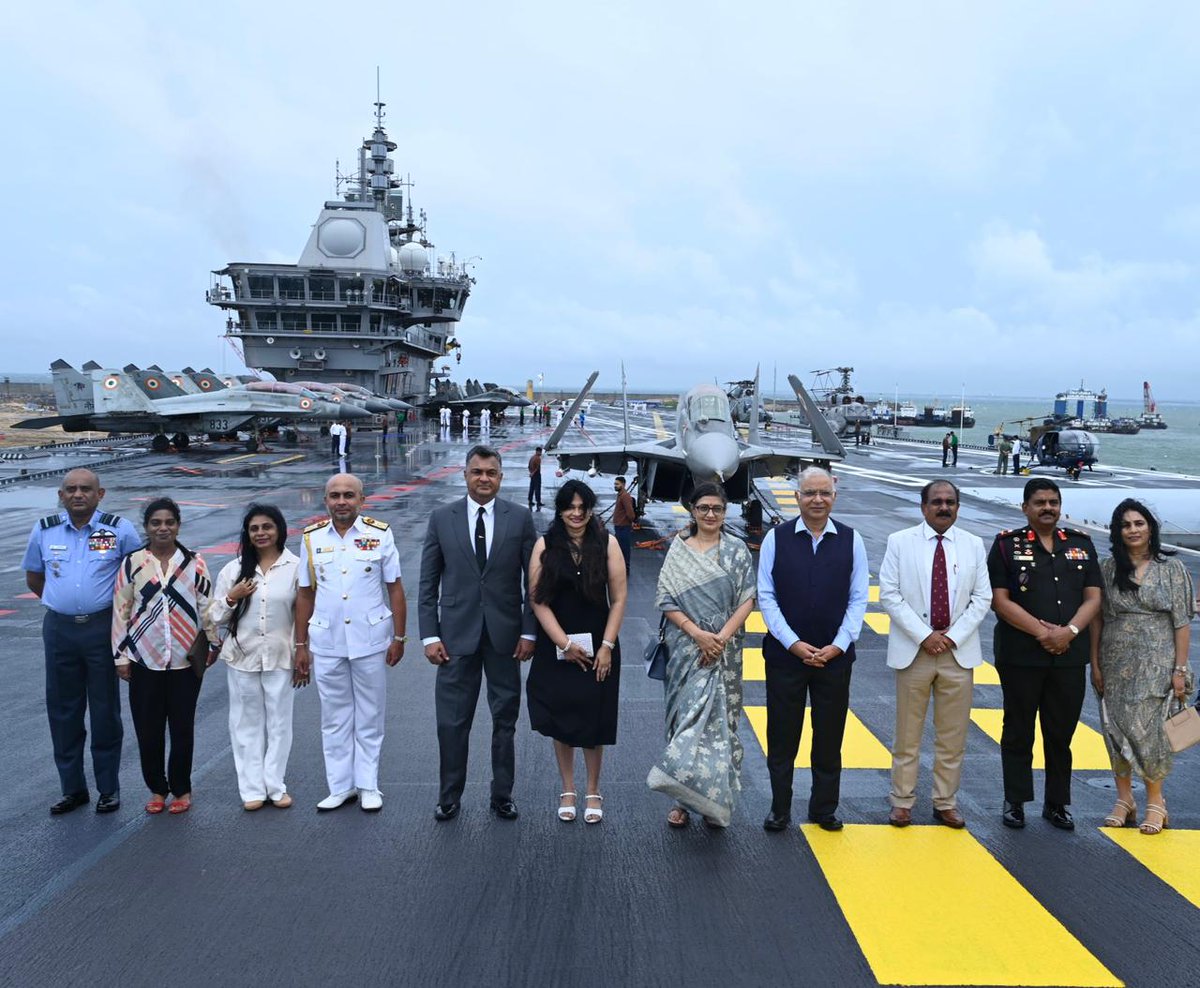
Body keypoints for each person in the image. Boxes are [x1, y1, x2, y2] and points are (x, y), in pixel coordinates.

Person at [420, 445, 537, 822]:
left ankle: (502, 794)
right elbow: (427, 583)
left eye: (490, 472)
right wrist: (429, 635)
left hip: (505, 638)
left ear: (501, 477)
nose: (483, 478)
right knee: (452, 722)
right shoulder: (442, 518)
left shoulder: (519, 519)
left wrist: (530, 632)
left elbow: (534, 583)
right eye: (476, 472)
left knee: (505, 720)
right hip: (455, 638)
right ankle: (449, 796)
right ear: (465, 475)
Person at [23, 469, 142, 815]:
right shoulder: (44, 531)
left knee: (105, 711)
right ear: (61, 495)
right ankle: (72, 789)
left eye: (85, 489)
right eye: (71, 489)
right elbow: (34, 577)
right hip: (59, 631)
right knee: (63, 711)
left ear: (100, 494)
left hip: (103, 629)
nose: (78, 495)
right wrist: (62, 603)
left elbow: (136, 575)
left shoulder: (119, 530)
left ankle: (108, 789)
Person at [987, 478, 1102, 831]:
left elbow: (1094, 598)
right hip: (1021, 655)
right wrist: (1044, 633)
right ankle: (1015, 801)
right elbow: (1000, 601)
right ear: (1025, 508)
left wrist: (1067, 633)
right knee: (1018, 729)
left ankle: (1057, 803)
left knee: (1061, 732)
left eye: (1053, 502)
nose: (1047, 508)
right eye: (1039, 502)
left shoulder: (1081, 545)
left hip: (1068, 656)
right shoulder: (1007, 546)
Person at [757, 466, 868, 832]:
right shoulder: (777, 538)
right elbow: (766, 597)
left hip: (835, 660)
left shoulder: (852, 540)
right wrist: (793, 643)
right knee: (782, 735)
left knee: (829, 736)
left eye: (824, 493)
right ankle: (780, 808)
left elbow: (858, 600)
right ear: (797, 497)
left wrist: (837, 646)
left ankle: (824, 808)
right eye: (809, 493)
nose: (817, 500)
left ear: (834, 496)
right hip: (786, 657)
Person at [879, 481, 992, 828]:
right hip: (915, 652)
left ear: (958, 507)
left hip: (957, 653)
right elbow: (889, 593)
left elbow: (982, 598)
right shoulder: (900, 542)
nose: (944, 507)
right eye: (937, 502)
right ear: (923, 506)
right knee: (907, 735)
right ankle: (902, 801)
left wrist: (951, 638)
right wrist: (926, 636)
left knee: (953, 736)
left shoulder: (973, 545)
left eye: (951, 502)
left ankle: (945, 802)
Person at [294, 474, 406, 812]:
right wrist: (300, 645)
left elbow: (395, 588)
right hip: (327, 639)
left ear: (362, 500)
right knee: (334, 716)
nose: (341, 502)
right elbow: (304, 592)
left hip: (370, 638)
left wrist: (399, 637)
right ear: (325, 500)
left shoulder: (379, 535)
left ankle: (368, 785)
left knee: (370, 714)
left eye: (348, 496)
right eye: (334, 496)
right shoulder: (311, 538)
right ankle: (340, 786)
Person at [647, 482, 755, 828]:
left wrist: (719, 639)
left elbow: (748, 599)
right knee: (683, 722)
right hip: (685, 649)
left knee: (723, 725)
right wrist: (697, 635)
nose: (711, 515)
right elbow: (665, 599)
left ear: (726, 512)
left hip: (725, 651)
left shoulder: (737, 551)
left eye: (718, 509)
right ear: (692, 511)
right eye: (704, 508)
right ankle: (682, 800)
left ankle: (714, 799)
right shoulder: (679, 550)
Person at [1090, 499, 1193, 835]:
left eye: (1139, 523)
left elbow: (1182, 622)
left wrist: (1179, 670)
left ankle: (1156, 802)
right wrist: (1095, 663)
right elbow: (1098, 620)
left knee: (1151, 733)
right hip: (1114, 660)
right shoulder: (1107, 569)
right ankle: (1123, 799)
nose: (1133, 530)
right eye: (1125, 525)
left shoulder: (1172, 570)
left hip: (1158, 662)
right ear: (1117, 532)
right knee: (1115, 729)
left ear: (1151, 528)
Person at [527, 480, 627, 824]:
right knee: (562, 717)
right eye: (570, 506)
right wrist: (565, 644)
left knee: (593, 717)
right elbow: (538, 600)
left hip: (600, 644)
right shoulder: (545, 544)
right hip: (558, 645)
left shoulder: (608, 543)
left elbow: (619, 599)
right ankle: (568, 788)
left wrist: (607, 646)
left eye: (583, 507)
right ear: (560, 509)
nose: (576, 513)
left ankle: (593, 789)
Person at [112, 498, 219, 815]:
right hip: (144, 658)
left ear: (178, 525)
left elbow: (207, 606)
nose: (163, 528)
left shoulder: (194, 562)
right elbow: (121, 610)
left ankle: (181, 789)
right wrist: (120, 656)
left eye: (169, 522)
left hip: (185, 661)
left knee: (183, 728)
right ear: (146, 527)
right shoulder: (133, 563)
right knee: (149, 729)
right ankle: (157, 789)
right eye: (156, 523)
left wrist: (213, 643)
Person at [209, 504, 301, 811]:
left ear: (279, 530)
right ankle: (251, 789)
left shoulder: (296, 567)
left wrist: (303, 651)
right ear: (247, 535)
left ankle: (276, 786)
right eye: (254, 529)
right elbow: (213, 617)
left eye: (267, 527)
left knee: (279, 723)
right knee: (245, 723)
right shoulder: (233, 570)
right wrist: (232, 596)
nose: (261, 533)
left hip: (280, 656)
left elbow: (303, 614)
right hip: (242, 656)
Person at [612, 476, 635, 573]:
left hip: (623, 527)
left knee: (624, 549)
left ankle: (626, 569)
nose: (615, 486)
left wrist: (631, 521)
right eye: (615, 484)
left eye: (617, 484)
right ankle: (622, 567)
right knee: (620, 548)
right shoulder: (620, 495)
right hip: (619, 527)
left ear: (623, 484)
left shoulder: (625, 496)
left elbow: (630, 513)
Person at [528, 446, 544, 510]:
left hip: (532, 474)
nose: (541, 453)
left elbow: (528, 466)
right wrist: (533, 473)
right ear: (538, 451)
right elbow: (537, 468)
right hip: (536, 475)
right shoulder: (538, 458)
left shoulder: (532, 457)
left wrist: (531, 473)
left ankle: (530, 501)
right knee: (537, 489)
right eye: (540, 452)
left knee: (532, 488)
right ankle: (538, 502)